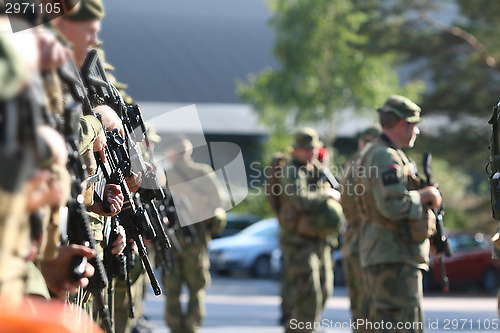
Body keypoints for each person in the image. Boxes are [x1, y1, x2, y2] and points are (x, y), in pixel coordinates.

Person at [355, 95, 442, 332]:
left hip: (391, 256)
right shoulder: (385, 156)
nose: (417, 132)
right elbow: (392, 205)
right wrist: (426, 195)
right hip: (393, 259)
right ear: (403, 124)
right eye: (415, 125)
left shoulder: (382, 153)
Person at [275, 127, 344, 333]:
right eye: (306, 149)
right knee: (309, 296)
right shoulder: (291, 171)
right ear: (296, 150)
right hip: (298, 242)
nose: (310, 153)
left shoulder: (315, 168)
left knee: (325, 290)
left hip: (319, 239)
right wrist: (325, 193)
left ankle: (300, 328)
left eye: (313, 149)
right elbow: (301, 201)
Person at [161, 135, 227, 333]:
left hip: (171, 237)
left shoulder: (165, 175)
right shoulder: (202, 172)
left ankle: (176, 327)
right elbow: (219, 201)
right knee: (196, 287)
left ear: (172, 154)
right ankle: (192, 327)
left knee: (172, 288)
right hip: (195, 236)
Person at [339, 125, 380, 332]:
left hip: (354, 240)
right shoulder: (366, 165)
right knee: (368, 306)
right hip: (365, 240)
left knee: (360, 307)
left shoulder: (352, 164)